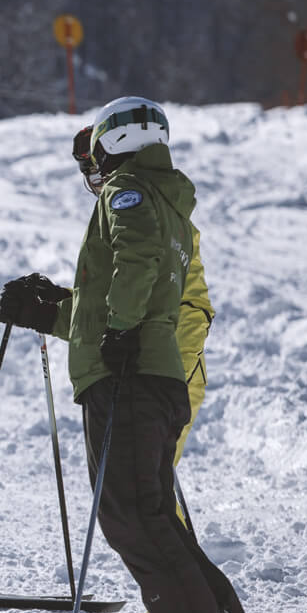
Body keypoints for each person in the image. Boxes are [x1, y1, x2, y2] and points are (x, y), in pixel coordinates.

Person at [0, 97, 259, 613]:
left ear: (113, 144)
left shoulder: (130, 194)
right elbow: (125, 296)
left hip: (135, 377)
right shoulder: (163, 202)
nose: (92, 173)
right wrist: (51, 314)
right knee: (146, 512)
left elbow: (139, 281)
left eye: (92, 158)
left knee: (133, 515)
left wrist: (118, 331)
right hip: (145, 373)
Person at [72, 125, 214, 529]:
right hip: (157, 356)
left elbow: (175, 301)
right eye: (91, 176)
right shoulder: (136, 212)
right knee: (147, 490)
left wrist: (143, 350)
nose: (97, 183)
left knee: (147, 494)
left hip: (169, 360)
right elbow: (113, 297)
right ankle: (185, 585)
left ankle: (188, 586)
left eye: (98, 170)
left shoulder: (152, 212)